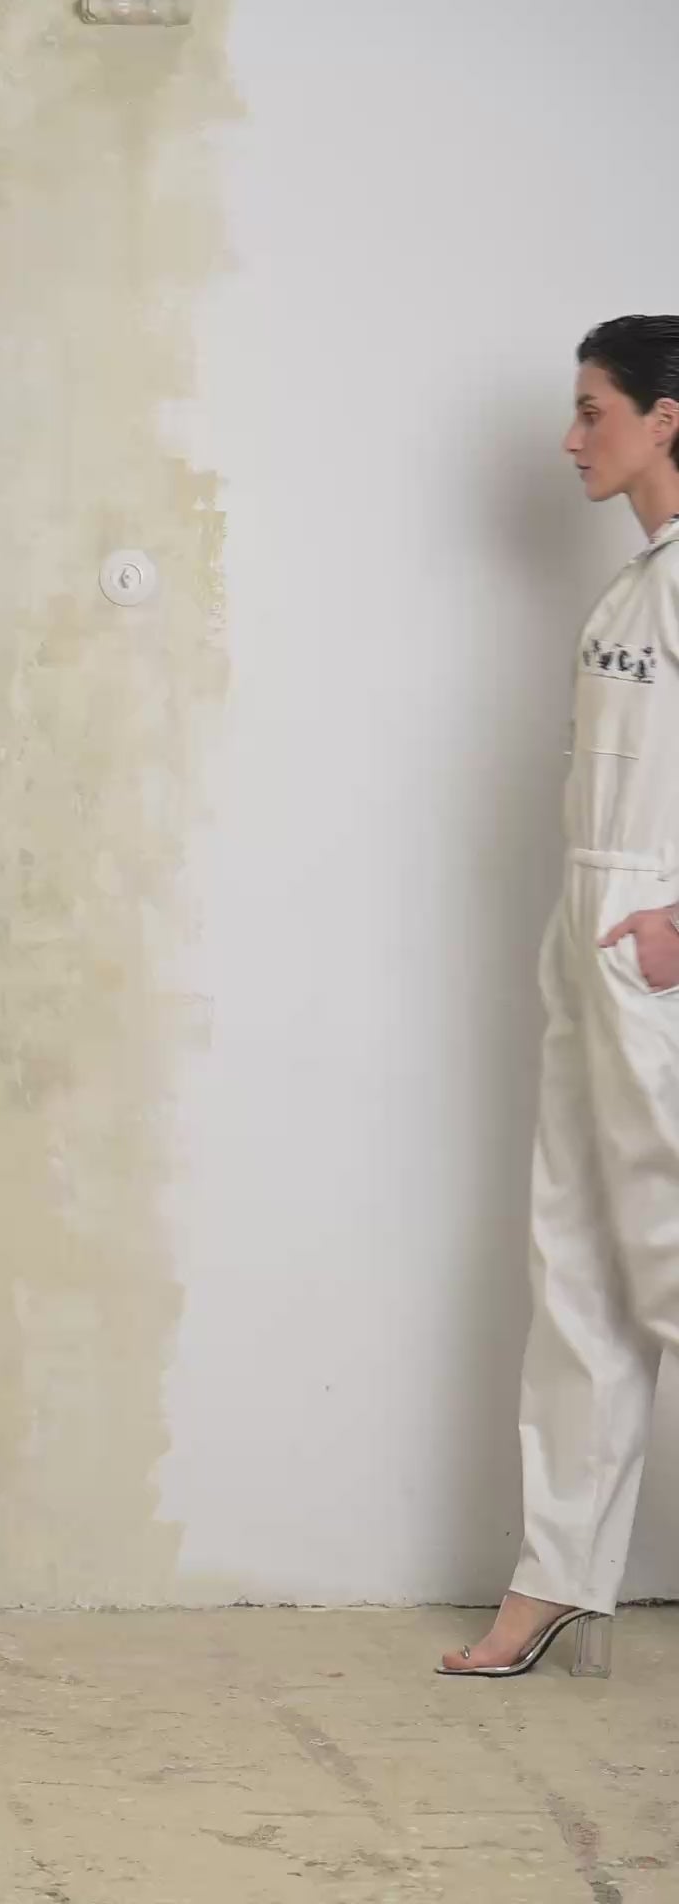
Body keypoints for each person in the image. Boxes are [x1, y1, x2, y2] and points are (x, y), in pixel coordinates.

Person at [441, 316, 679, 1679]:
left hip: (653, 955)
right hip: (588, 943)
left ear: (666, 419)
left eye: (595, 410)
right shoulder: (634, 585)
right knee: (578, 1262)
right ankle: (556, 1579)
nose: (571, 436)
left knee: (668, 1251)